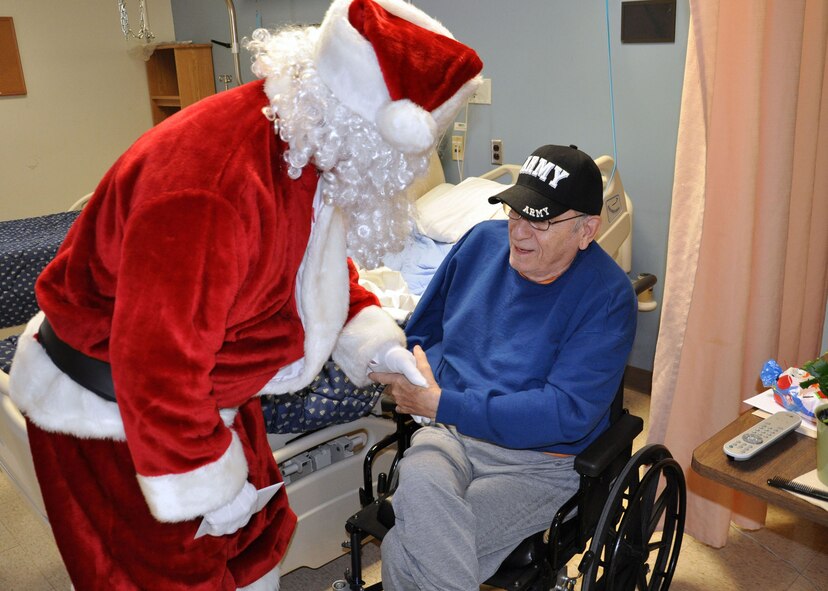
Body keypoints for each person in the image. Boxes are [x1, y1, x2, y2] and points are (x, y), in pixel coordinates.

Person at [8, 1, 482, 589]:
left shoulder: (306, 144)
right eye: (411, 154)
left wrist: (376, 345)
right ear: (379, 129)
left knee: (257, 545)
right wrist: (206, 483)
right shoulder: (212, 187)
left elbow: (310, 265)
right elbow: (156, 363)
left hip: (212, 398)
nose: (410, 170)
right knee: (170, 578)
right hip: (124, 422)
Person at [370, 144, 638, 591]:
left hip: (535, 464)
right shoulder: (479, 243)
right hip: (448, 435)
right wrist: (414, 370)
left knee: (406, 546)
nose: (520, 231)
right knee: (419, 479)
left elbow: (565, 413)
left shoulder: (607, 298)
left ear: (587, 230)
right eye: (516, 213)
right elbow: (422, 332)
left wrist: (444, 403)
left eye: (541, 221)